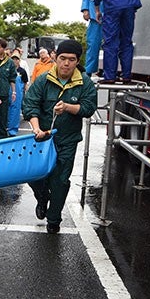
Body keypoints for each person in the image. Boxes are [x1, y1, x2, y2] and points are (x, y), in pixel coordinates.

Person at [22, 39, 97, 234]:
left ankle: (54, 219)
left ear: (77, 60)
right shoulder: (44, 79)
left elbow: (89, 108)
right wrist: (37, 129)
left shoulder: (85, 82)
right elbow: (30, 105)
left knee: (60, 180)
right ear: (55, 57)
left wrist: (68, 107)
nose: (66, 63)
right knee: (35, 176)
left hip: (67, 141)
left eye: (71, 60)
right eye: (62, 58)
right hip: (42, 139)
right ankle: (41, 197)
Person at [7, 49, 29, 136]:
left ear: (19, 60)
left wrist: (25, 93)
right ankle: (2, 127)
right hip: (7, 92)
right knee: (5, 110)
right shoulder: (7, 69)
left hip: (18, 94)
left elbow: (25, 83)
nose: (15, 61)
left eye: (17, 59)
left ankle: (12, 130)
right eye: (13, 59)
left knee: (15, 112)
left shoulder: (22, 71)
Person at [81, 0, 104, 77]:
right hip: (96, 15)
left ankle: (110, 72)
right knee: (93, 44)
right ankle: (88, 71)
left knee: (112, 45)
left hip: (113, 12)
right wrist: (85, 9)